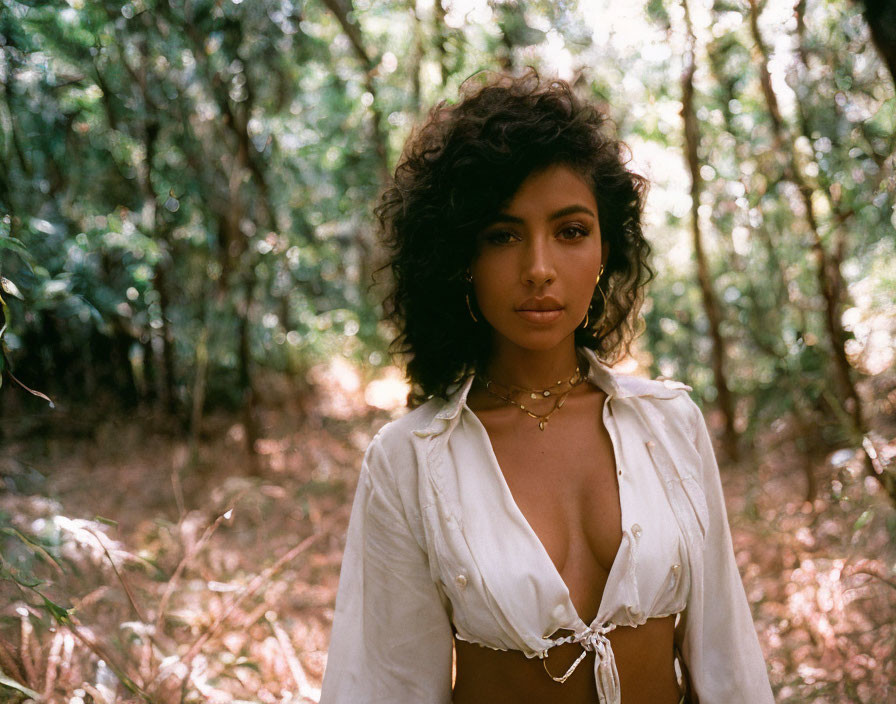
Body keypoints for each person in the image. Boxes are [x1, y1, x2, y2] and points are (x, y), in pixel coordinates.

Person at [319, 70, 774, 704]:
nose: (538, 268)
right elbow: (387, 685)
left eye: (570, 231)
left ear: (606, 249)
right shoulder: (412, 461)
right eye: (503, 236)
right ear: (461, 260)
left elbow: (727, 661)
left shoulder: (670, 425)